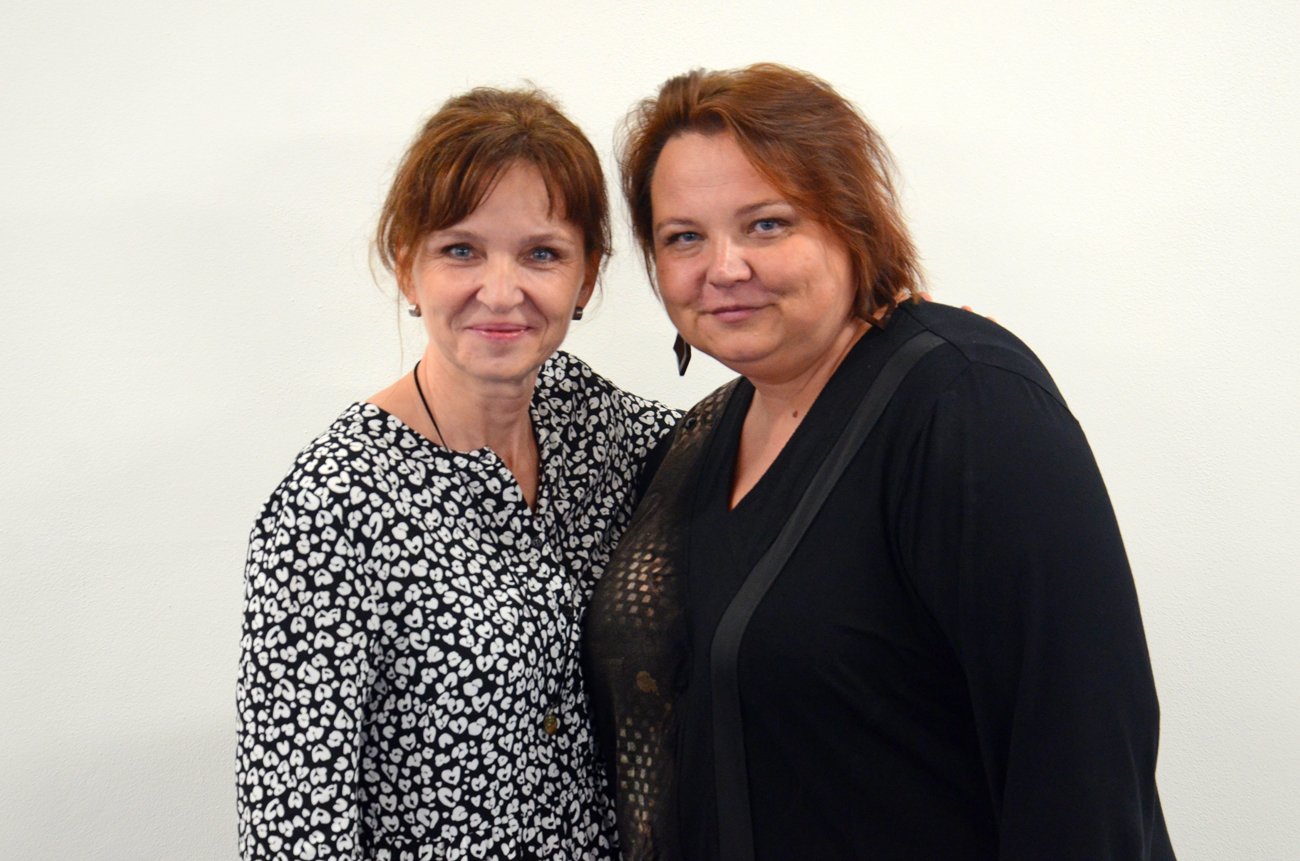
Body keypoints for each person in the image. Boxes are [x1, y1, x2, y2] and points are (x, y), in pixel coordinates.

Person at [585, 63, 1176, 860]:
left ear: (851, 220)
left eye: (766, 224)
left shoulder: (966, 404)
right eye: (683, 237)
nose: (723, 267)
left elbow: (1081, 761)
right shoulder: (697, 444)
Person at [236, 87, 676, 860]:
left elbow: (757, 442)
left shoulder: (596, 424)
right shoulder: (331, 508)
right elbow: (293, 830)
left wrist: (877, 348)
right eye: (461, 250)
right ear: (406, 264)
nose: (501, 292)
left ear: (587, 277)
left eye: (542, 253)